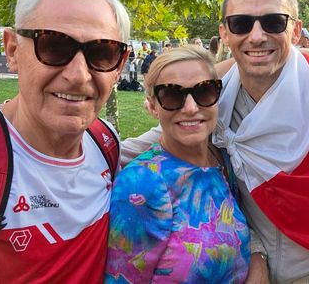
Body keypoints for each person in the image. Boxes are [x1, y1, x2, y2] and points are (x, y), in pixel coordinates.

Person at [123, 0, 309, 283]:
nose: (257, 36)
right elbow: (134, 149)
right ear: (224, 33)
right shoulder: (212, 101)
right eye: (241, 24)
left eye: (274, 22)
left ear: (295, 30)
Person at [0, 0, 130, 282]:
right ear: (12, 50)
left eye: (102, 53)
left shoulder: (105, 142)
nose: (78, 75)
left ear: (119, 65)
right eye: (53, 46)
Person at [106, 45, 250, 282]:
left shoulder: (221, 160)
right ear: (153, 106)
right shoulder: (141, 184)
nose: (191, 108)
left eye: (204, 91)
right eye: (172, 95)